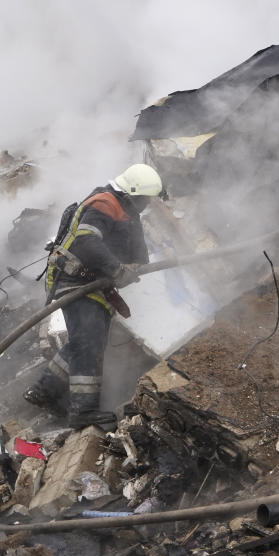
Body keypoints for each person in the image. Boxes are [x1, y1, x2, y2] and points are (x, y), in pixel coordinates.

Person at [25, 163, 167, 429]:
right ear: (133, 193)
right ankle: (83, 411)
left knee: (83, 340)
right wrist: (116, 268)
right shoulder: (105, 203)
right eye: (146, 199)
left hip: (96, 286)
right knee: (89, 342)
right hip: (75, 281)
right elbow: (86, 241)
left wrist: (133, 267)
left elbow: (141, 258)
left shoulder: (129, 214)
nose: (148, 204)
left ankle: (45, 389)